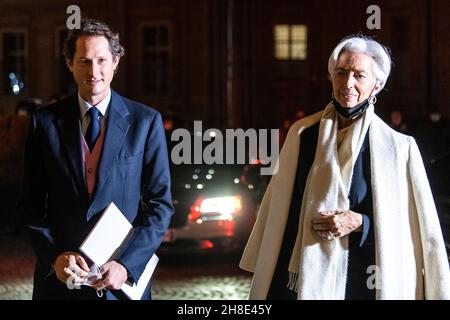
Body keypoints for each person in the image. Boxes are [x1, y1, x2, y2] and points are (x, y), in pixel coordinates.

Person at [240, 35, 450, 300]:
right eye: (341, 73)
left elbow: (409, 226)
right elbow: (280, 208)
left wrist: (361, 222)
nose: (348, 83)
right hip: (298, 277)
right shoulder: (302, 134)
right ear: (332, 77)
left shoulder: (399, 148)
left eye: (359, 75)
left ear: (377, 85)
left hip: (364, 280)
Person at [18, 18, 174, 300]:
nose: (94, 71)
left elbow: (160, 205)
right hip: (60, 285)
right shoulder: (44, 123)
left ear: (116, 61)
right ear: (70, 63)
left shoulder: (145, 122)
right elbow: (29, 205)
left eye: (102, 60)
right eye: (84, 61)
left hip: (121, 287)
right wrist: (54, 257)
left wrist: (127, 265)